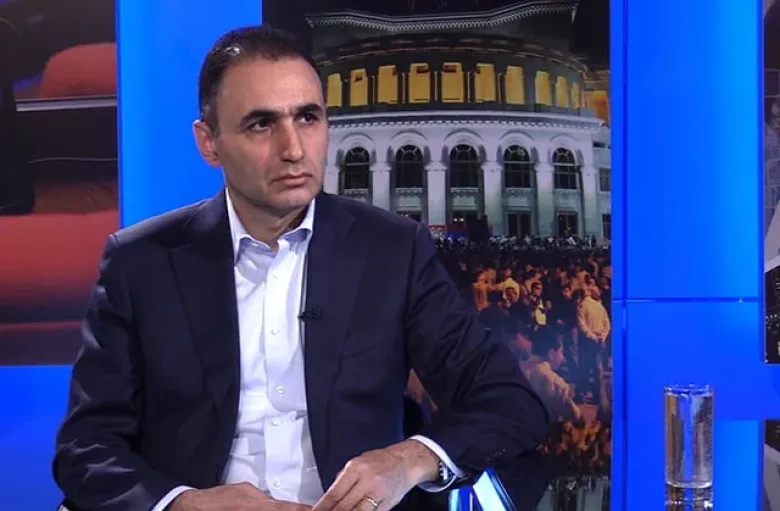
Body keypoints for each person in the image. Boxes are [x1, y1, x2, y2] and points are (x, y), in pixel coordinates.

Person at [52, 25, 548, 511]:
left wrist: (410, 459)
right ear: (209, 142)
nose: (293, 149)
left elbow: (509, 401)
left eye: (308, 117)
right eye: (261, 124)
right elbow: (85, 447)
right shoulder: (141, 262)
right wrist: (184, 504)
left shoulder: (392, 251)